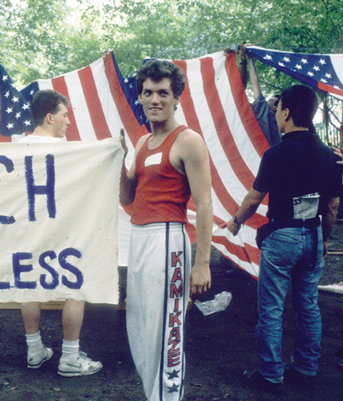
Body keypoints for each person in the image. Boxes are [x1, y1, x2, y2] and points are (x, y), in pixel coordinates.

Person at [227, 85, 341, 393]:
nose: (276, 114)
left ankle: (270, 375)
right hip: (314, 234)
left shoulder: (275, 153)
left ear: (287, 113)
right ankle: (305, 368)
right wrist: (325, 239)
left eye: (278, 110)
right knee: (308, 306)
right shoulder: (328, 155)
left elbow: (253, 198)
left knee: (272, 309)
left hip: (281, 237)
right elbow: (331, 205)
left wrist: (237, 221)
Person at [119, 60, 213, 401]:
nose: (154, 99)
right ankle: (154, 395)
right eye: (147, 93)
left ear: (176, 98)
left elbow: (204, 203)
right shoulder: (143, 142)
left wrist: (202, 262)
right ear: (140, 98)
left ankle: (167, 397)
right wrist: (119, 160)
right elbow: (128, 197)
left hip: (169, 238)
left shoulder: (188, 140)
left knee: (166, 330)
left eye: (163, 93)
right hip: (140, 238)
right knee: (140, 325)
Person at [18, 89, 103, 377]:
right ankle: (69, 357)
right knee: (75, 287)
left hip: (26, 229)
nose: (69, 121)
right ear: (50, 116)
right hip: (64, 229)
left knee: (28, 286)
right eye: (65, 115)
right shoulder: (67, 151)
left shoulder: (16, 148)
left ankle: (34, 350)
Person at [238, 44, 281, 146]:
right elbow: (240, 93)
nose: (266, 101)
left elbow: (255, 83)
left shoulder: (266, 113)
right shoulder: (278, 128)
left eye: (270, 100)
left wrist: (249, 57)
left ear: (275, 108)